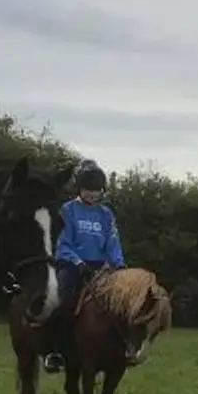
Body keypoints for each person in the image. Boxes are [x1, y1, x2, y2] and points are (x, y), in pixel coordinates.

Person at [40, 159, 125, 372]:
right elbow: (63, 243)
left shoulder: (106, 214)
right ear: (79, 189)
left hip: (100, 267)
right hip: (71, 264)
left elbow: (112, 242)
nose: (92, 195)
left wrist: (118, 265)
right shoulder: (68, 211)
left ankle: (122, 349)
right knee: (61, 301)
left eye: (97, 191)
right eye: (88, 190)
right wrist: (78, 263)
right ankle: (53, 351)